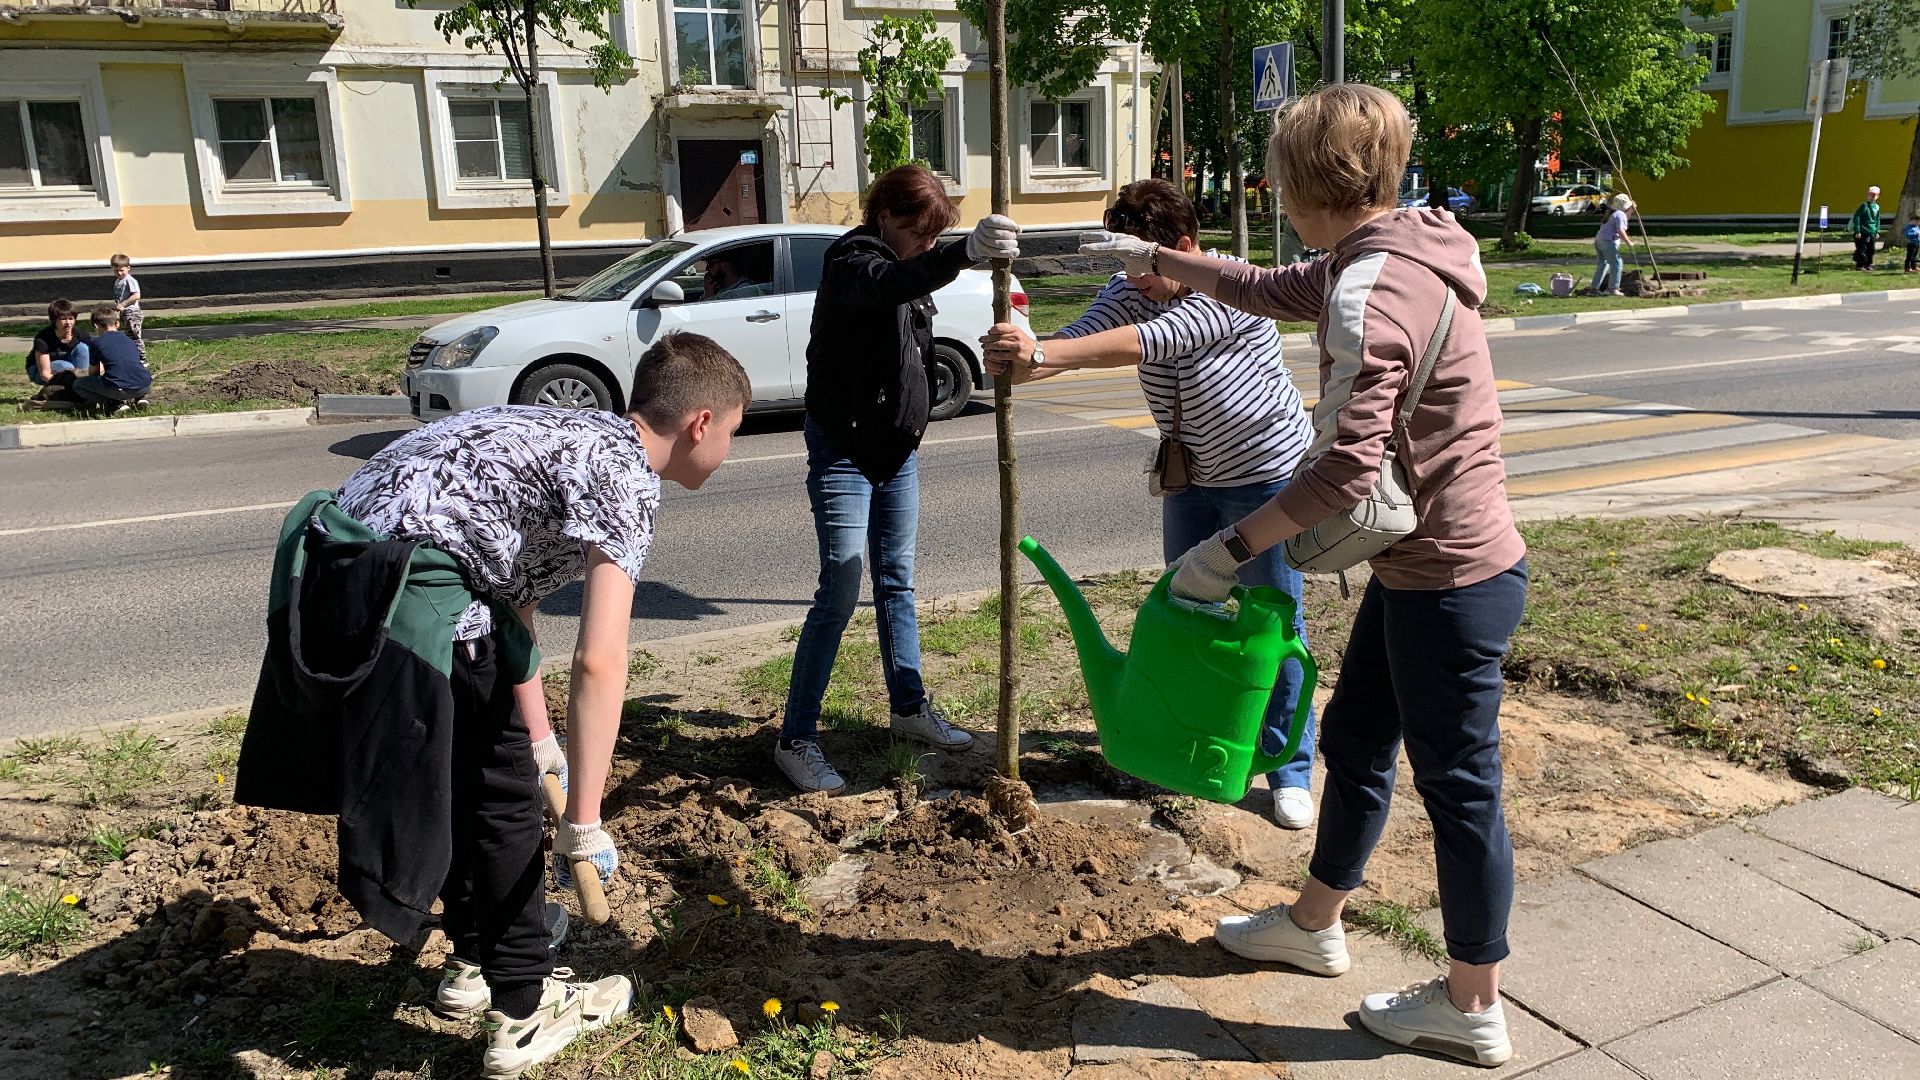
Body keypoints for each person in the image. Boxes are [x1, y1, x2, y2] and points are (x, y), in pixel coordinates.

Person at [1083, 83, 1528, 1067]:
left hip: (1451, 577)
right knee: (1356, 737)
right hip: (1423, 568)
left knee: (1460, 790)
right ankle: (1316, 921)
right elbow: (1266, 286)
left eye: (1277, 176)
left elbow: (1344, 469)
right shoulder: (1394, 248)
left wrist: (1229, 548)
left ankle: (1472, 1004)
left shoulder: (1373, 291)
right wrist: (1156, 261)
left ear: (1298, 182)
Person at [236, 333, 750, 1079]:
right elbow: (601, 660)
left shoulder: (560, 434)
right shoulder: (626, 477)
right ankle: (523, 1011)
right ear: (700, 422)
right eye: (733, 433)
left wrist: (541, 735)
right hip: (410, 598)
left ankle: (475, 963)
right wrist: (584, 817)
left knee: (477, 779)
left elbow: (512, 602)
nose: (728, 451)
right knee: (504, 803)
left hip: (337, 583)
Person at [979, 177, 1322, 829]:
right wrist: (1023, 362)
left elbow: (1145, 344)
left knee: (1272, 627)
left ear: (1183, 247)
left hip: (1268, 479)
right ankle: (1193, 735)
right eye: (1124, 267)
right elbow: (1087, 336)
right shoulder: (1130, 286)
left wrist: (1047, 351)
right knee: (1185, 616)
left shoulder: (1230, 287)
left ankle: (1289, 767)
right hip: (1192, 480)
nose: (1130, 282)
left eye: (1140, 266)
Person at [773, 164, 1021, 794]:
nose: (927, 245)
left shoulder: (910, 264)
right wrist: (966, 252)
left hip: (897, 453)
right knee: (840, 588)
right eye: (920, 232)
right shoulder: (853, 261)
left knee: (897, 583)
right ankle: (796, 739)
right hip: (845, 451)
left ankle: (908, 709)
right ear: (884, 215)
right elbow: (890, 283)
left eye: (938, 236)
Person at [70, 305, 152, 415]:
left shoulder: (97, 343)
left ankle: (115, 403)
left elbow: (93, 371)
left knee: (78, 385)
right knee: (130, 372)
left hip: (119, 389)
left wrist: (76, 372)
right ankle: (140, 398)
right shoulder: (129, 340)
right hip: (144, 385)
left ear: (96, 326)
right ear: (117, 323)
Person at [21, 298, 91, 410]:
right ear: (54, 321)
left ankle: (81, 389)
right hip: (39, 371)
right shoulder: (43, 337)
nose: (68, 323)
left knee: (83, 348)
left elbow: (96, 362)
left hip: (69, 370)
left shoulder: (82, 335)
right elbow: (44, 373)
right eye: (63, 319)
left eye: (71, 318)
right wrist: (64, 388)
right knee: (65, 367)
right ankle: (67, 391)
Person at [1592, 194, 1633, 296]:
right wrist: (1629, 242)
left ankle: (1593, 289)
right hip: (1608, 242)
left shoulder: (1611, 213)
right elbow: (1620, 231)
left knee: (1603, 264)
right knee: (1617, 263)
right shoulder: (1620, 214)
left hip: (1599, 241)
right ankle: (1613, 288)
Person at [110, 253, 146, 361]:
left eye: (122, 270)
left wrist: (123, 304)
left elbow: (136, 295)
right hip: (124, 312)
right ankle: (132, 356)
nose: (119, 273)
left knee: (135, 335)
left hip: (133, 312)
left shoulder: (130, 280)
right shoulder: (118, 281)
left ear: (128, 268)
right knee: (128, 335)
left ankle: (142, 358)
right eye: (116, 270)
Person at [703, 251, 768, 301]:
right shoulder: (723, 287)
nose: (707, 269)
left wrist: (709, 295)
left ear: (725, 266)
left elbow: (718, 315)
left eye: (711, 264)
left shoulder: (744, 291)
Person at [1850, 186, 1882, 271]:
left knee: (1871, 249)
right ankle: (1860, 265)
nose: (1872, 196)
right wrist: (1857, 231)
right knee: (1862, 249)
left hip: (1872, 231)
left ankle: (1868, 264)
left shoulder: (1877, 207)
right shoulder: (1864, 206)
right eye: (1871, 194)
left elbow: (1877, 220)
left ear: (1878, 196)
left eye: (1874, 195)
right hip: (1863, 231)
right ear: (1868, 195)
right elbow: (1857, 217)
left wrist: (1877, 231)